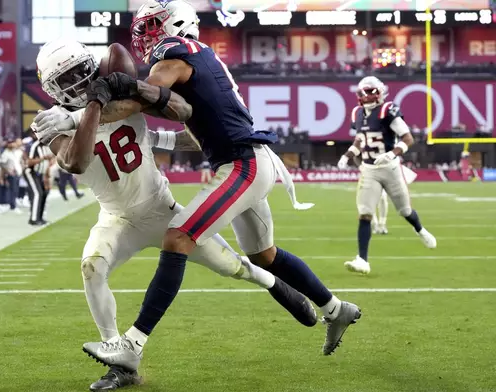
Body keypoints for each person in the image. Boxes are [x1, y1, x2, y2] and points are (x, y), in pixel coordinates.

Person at [71, 0, 362, 372]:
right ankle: (336, 309)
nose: (143, 38)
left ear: (171, 24)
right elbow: (180, 116)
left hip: (243, 164)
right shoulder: (198, 53)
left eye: (149, 28)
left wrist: (77, 116)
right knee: (264, 256)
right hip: (248, 158)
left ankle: (132, 343)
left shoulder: (174, 58)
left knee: (177, 238)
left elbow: (134, 105)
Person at [32, 37, 317, 390]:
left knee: (234, 266)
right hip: (116, 218)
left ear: (92, 64)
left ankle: (275, 284)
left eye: (79, 69)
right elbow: (76, 161)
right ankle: (120, 361)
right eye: (65, 77)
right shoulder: (50, 122)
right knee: (92, 269)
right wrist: (88, 107)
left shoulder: (120, 96)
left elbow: (179, 113)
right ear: (49, 87)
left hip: (161, 210)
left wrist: (108, 98)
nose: (76, 80)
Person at [337, 76, 436, 275]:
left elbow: (408, 138)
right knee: (365, 214)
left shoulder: (387, 109)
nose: (368, 96)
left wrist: (392, 153)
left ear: (380, 92)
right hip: (369, 169)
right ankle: (362, 260)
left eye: (372, 91)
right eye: (365, 92)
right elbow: (360, 140)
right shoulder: (357, 112)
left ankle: (420, 229)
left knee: (404, 210)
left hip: (390, 168)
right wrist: (347, 155)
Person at [24, 132, 52, 225]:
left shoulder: (46, 147)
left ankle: (40, 217)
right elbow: (29, 162)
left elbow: (47, 164)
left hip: (40, 174)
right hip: (31, 172)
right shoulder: (34, 146)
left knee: (44, 193)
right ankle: (34, 219)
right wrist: (42, 158)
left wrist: (47, 176)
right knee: (37, 193)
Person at [0, 139, 22, 213]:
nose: (12, 145)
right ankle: (12, 205)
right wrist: (8, 171)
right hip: (10, 174)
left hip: (16, 173)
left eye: (13, 143)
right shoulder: (5, 153)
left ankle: (13, 203)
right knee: (12, 190)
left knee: (15, 190)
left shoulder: (14, 152)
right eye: (11, 143)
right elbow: (2, 164)